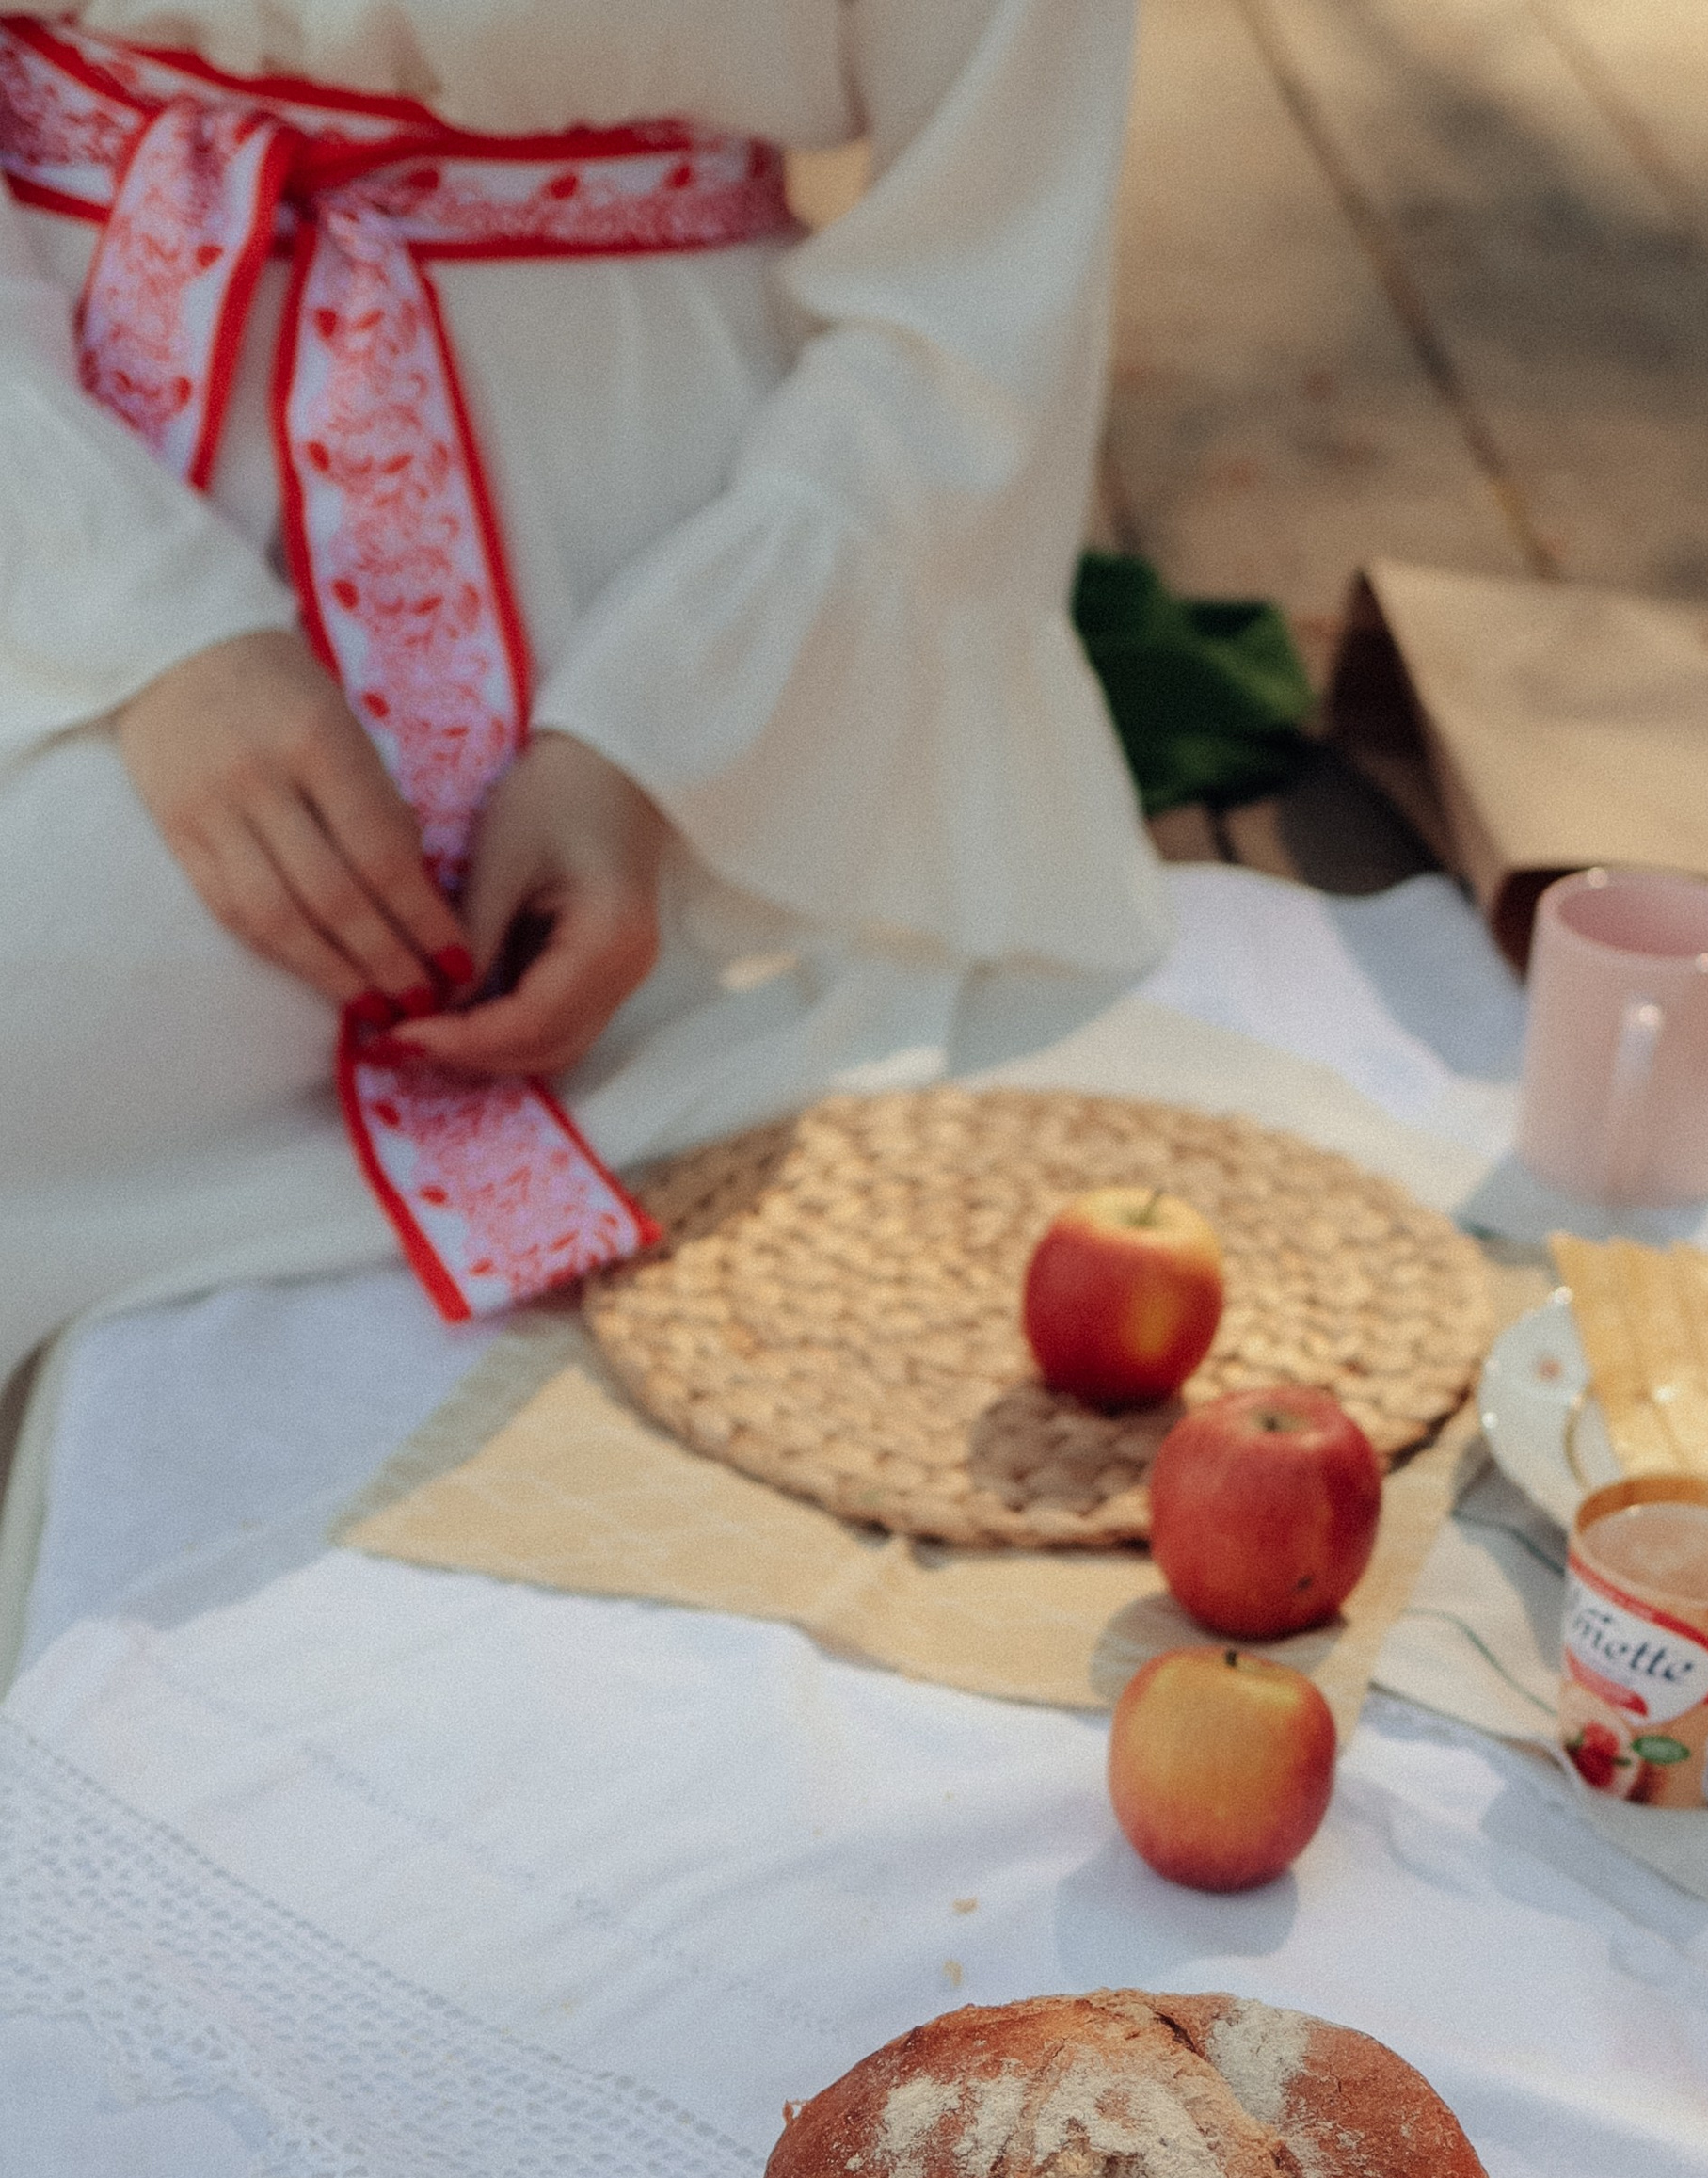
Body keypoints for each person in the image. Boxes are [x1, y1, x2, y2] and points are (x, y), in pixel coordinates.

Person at [0, 0, 1168, 1536]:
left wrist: (664, 734)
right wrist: (137, 615)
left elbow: (977, 295)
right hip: (66, 423)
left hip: (644, 562)